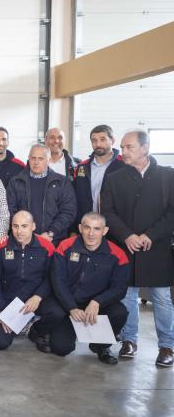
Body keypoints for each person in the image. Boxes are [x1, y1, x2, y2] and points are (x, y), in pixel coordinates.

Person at [101, 130, 174, 368]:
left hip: (158, 247)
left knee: (162, 298)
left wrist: (150, 235)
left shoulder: (167, 176)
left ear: (145, 147)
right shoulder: (114, 178)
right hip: (126, 247)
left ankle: (167, 345)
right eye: (122, 147)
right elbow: (108, 213)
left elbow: (172, 213)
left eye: (129, 147)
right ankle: (129, 341)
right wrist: (128, 236)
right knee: (128, 296)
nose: (123, 152)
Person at [48, 213, 129, 365]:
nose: (91, 233)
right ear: (80, 228)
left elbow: (120, 288)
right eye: (87, 228)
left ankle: (101, 346)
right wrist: (71, 307)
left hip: (98, 306)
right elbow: (58, 281)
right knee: (60, 348)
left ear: (104, 231)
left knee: (120, 312)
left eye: (97, 229)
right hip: (70, 306)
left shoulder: (118, 255)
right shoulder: (65, 246)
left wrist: (98, 302)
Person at [0, 211, 57, 352]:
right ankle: (18, 324)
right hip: (10, 302)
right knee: (0, 343)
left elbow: (51, 277)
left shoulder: (47, 247)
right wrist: (2, 311)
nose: (19, 231)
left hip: (36, 299)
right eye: (15, 226)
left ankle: (35, 330)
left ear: (33, 226)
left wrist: (38, 296)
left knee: (57, 312)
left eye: (24, 226)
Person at [6, 144, 76, 245]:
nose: (36, 162)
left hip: (53, 241)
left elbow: (68, 212)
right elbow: (9, 209)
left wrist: (51, 233)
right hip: (21, 241)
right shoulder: (15, 182)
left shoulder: (62, 182)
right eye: (33, 158)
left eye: (41, 158)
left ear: (48, 159)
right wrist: (22, 231)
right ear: (28, 158)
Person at [72, 124, 126, 226]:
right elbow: (75, 200)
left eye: (102, 139)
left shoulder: (124, 165)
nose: (98, 144)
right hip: (87, 226)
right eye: (94, 140)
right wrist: (74, 228)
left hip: (115, 226)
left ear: (112, 141)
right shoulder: (81, 167)